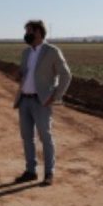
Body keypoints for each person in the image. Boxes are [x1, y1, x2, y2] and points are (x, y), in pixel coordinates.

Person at [14, 20, 72, 186]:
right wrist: (20, 75)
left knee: (45, 137)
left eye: (29, 31)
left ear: (39, 32)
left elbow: (66, 75)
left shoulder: (52, 51)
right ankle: (30, 171)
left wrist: (55, 97)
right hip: (24, 99)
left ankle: (49, 173)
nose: (26, 34)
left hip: (42, 102)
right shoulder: (26, 52)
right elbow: (26, 72)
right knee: (27, 137)